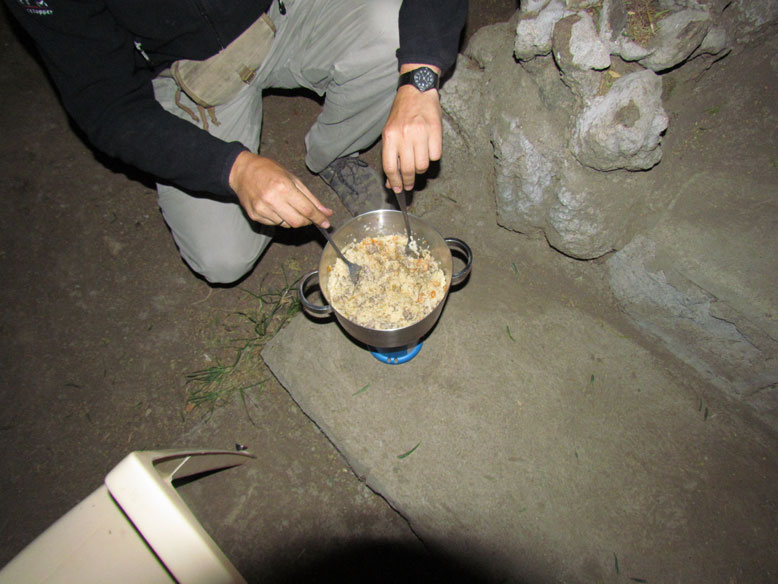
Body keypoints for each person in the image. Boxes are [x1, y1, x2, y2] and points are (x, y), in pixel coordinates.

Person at [5, 0, 468, 283]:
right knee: (221, 258)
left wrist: (420, 76)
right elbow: (104, 103)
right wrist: (231, 168)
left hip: (291, 9)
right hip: (187, 69)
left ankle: (333, 152)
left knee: (392, 35)